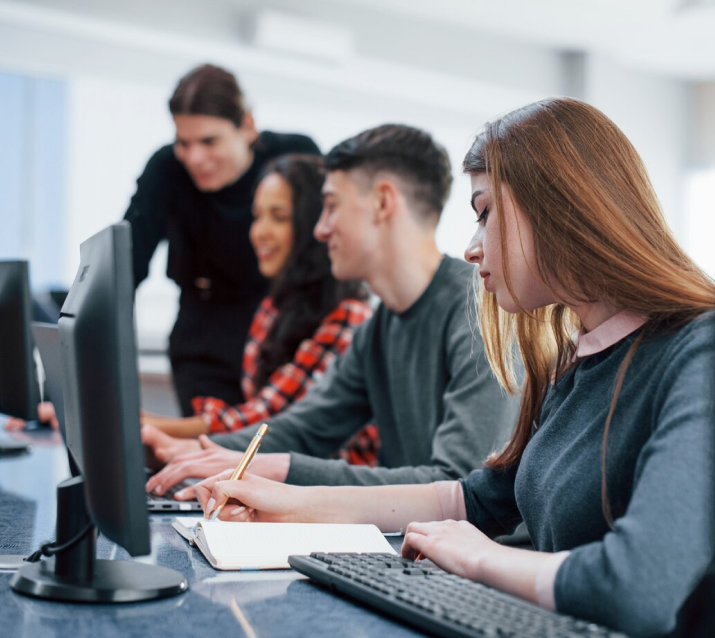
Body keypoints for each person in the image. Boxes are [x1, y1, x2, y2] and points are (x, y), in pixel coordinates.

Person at [189, 99, 715, 637]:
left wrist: (479, 559)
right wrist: (293, 504)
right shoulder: (582, 360)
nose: (470, 246)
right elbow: (473, 499)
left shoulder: (699, 351)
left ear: (561, 207)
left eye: (485, 213)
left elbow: (639, 587)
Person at [143, 123, 518, 496]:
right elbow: (304, 428)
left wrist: (283, 468)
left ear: (383, 203)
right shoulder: (378, 329)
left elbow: (459, 484)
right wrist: (192, 451)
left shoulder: (480, 308)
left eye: (332, 206)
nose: (320, 230)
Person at [142, 154, 377, 464]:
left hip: (334, 493)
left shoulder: (349, 316)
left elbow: (270, 419)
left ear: (313, 225)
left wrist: (150, 427)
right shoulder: (272, 307)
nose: (259, 232)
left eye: (278, 217)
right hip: (278, 475)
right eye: (257, 216)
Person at [124, 64, 320, 415]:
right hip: (202, 336)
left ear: (246, 125)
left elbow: (324, 252)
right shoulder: (167, 168)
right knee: (210, 451)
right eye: (184, 143)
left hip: (281, 330)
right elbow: (124, 267)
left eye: (209, 141)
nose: (195, 158)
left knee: (270, 447)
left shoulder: (293, 158)